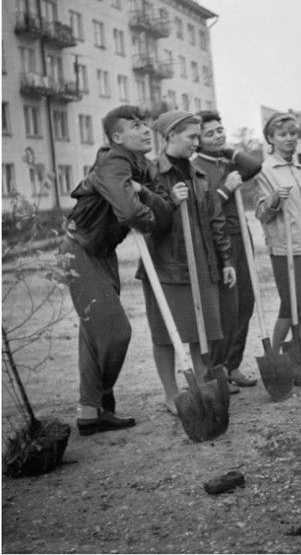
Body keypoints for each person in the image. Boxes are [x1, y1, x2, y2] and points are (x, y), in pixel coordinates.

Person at [61, 105, 174, 436]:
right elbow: (129, 212)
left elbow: (166, 212)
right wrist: (146, 212)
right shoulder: (114, 158)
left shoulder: (141, 166)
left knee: (94, 337)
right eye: (134, 125)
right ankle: (100, 396)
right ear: (116, 137)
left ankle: (89, 413)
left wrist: (145, 195)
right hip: (79, 250)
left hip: (101, 251)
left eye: (144, 125)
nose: (143, 130)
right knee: (115, 332)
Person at [136, 110, 236, 415]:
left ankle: (202, 385)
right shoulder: (150, 174)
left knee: (200, 329)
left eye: (197, 136)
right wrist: (166, 199)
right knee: (166, 333)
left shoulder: (199, 176)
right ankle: (171, 394)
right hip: (165, 266)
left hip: (202, 263)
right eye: (192, 137)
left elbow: (216, 220)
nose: (197, 142)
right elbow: (144, 221)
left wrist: (226, 260)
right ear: (170, 137)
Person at [194, 110, 262, 388]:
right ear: (197, 140)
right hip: (219, 241)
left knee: (246, 302)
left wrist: (230, 149)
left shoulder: (226, 160)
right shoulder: (197, 166)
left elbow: (255, 165)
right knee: (226, 309)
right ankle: (216, 370)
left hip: (240, 236)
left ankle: (233, 366)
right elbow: (201, 212)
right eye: (209, 133)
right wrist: (224, 190)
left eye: (220, 130)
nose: (217, 135)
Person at [255, 113, 301, 353]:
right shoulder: (264, 171)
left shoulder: (300, 169)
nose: (290, 139)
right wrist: (273, 200)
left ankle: (297, 351)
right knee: (290, 305)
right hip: (286, 248)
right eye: (282, 134)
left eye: (293, 133)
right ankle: (273, 354)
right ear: (270, 138)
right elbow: (262, 214)